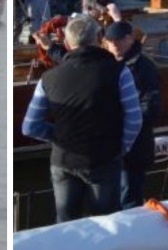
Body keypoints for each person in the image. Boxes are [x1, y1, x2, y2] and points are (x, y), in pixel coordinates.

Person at [21, 15, 142, 223]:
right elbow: (134, 119)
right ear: (99, 37)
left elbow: (30, 127)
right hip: (104, 159)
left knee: (65, 224)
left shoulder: (48, 79)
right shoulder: (119, 72)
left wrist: (58, 136)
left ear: (67, 44)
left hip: (63, 160)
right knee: (107, 223)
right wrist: (122, 147)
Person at [101, 21, 163, 209]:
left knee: (128, 194)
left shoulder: (145, 68)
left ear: (130, 39)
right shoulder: (106, 65)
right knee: (111, 195)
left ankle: (130, 234)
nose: (114, 45)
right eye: (110, 41)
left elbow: (152, 105)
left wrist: (128, 125)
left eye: (119, 40)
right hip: (111, 146)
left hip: (134, 146)